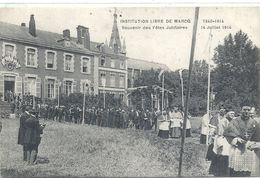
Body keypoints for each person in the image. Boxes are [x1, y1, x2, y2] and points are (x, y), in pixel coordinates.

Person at [224, 105, 258, 176]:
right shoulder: (234, 121)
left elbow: (257, 136)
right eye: (244, 110)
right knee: (235, 171)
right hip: (237, 148)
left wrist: (253, 143)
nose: (246, 112)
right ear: (241, 111)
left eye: (248, 110)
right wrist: (236, 139)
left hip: (249, 148)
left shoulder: (254, 122)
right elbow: (227, 133)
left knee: (247, 171)